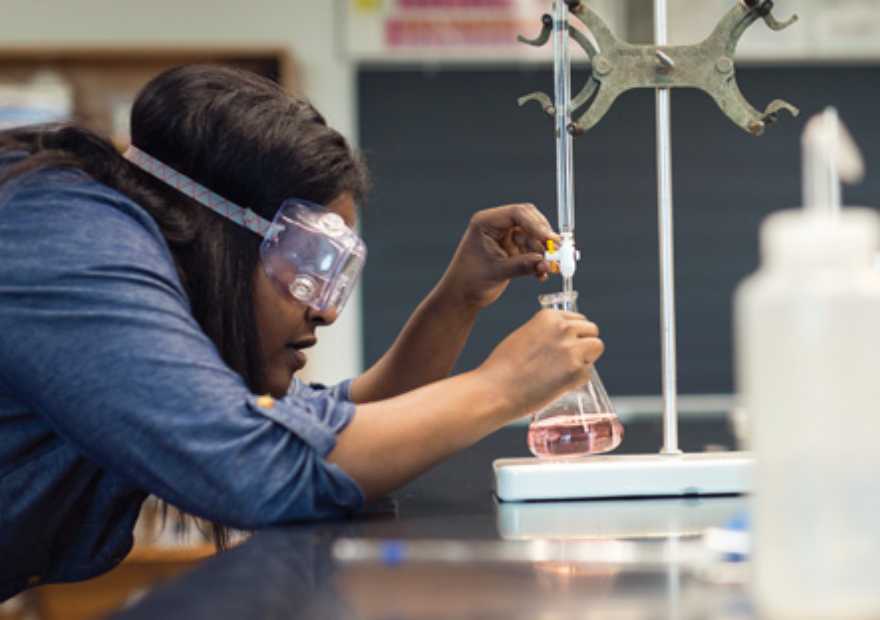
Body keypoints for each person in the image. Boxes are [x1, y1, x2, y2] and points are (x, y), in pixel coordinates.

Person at [0, 64, 603, 600]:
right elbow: (254, 467)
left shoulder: (115, 251)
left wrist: (460, 298)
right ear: (219, 227)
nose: (325, 311)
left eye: (335, 271)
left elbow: (333, 428)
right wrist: (502, 387)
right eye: (306, 260)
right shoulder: (67, 237)